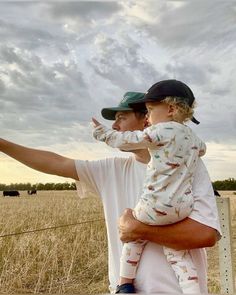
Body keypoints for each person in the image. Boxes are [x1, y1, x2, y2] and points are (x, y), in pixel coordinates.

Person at [0, 90, 221, 294]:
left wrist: (138, 229)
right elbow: (56, 162)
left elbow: (205, 234)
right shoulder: (111, 169)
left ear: (147, 120)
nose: (114, 126)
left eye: (121, 118)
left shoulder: (190, 167)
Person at [92, 80, 206, 293]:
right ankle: (192, 290)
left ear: (170, 109)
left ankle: (124, 283)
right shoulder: (193, 137)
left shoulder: (161, 130)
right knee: (177, 253)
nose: (148, 117)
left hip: (156, 205)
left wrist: (101, 133)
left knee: (133, 235)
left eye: (151, 110)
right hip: (182, 209)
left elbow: (127, 140)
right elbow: (202, 150)